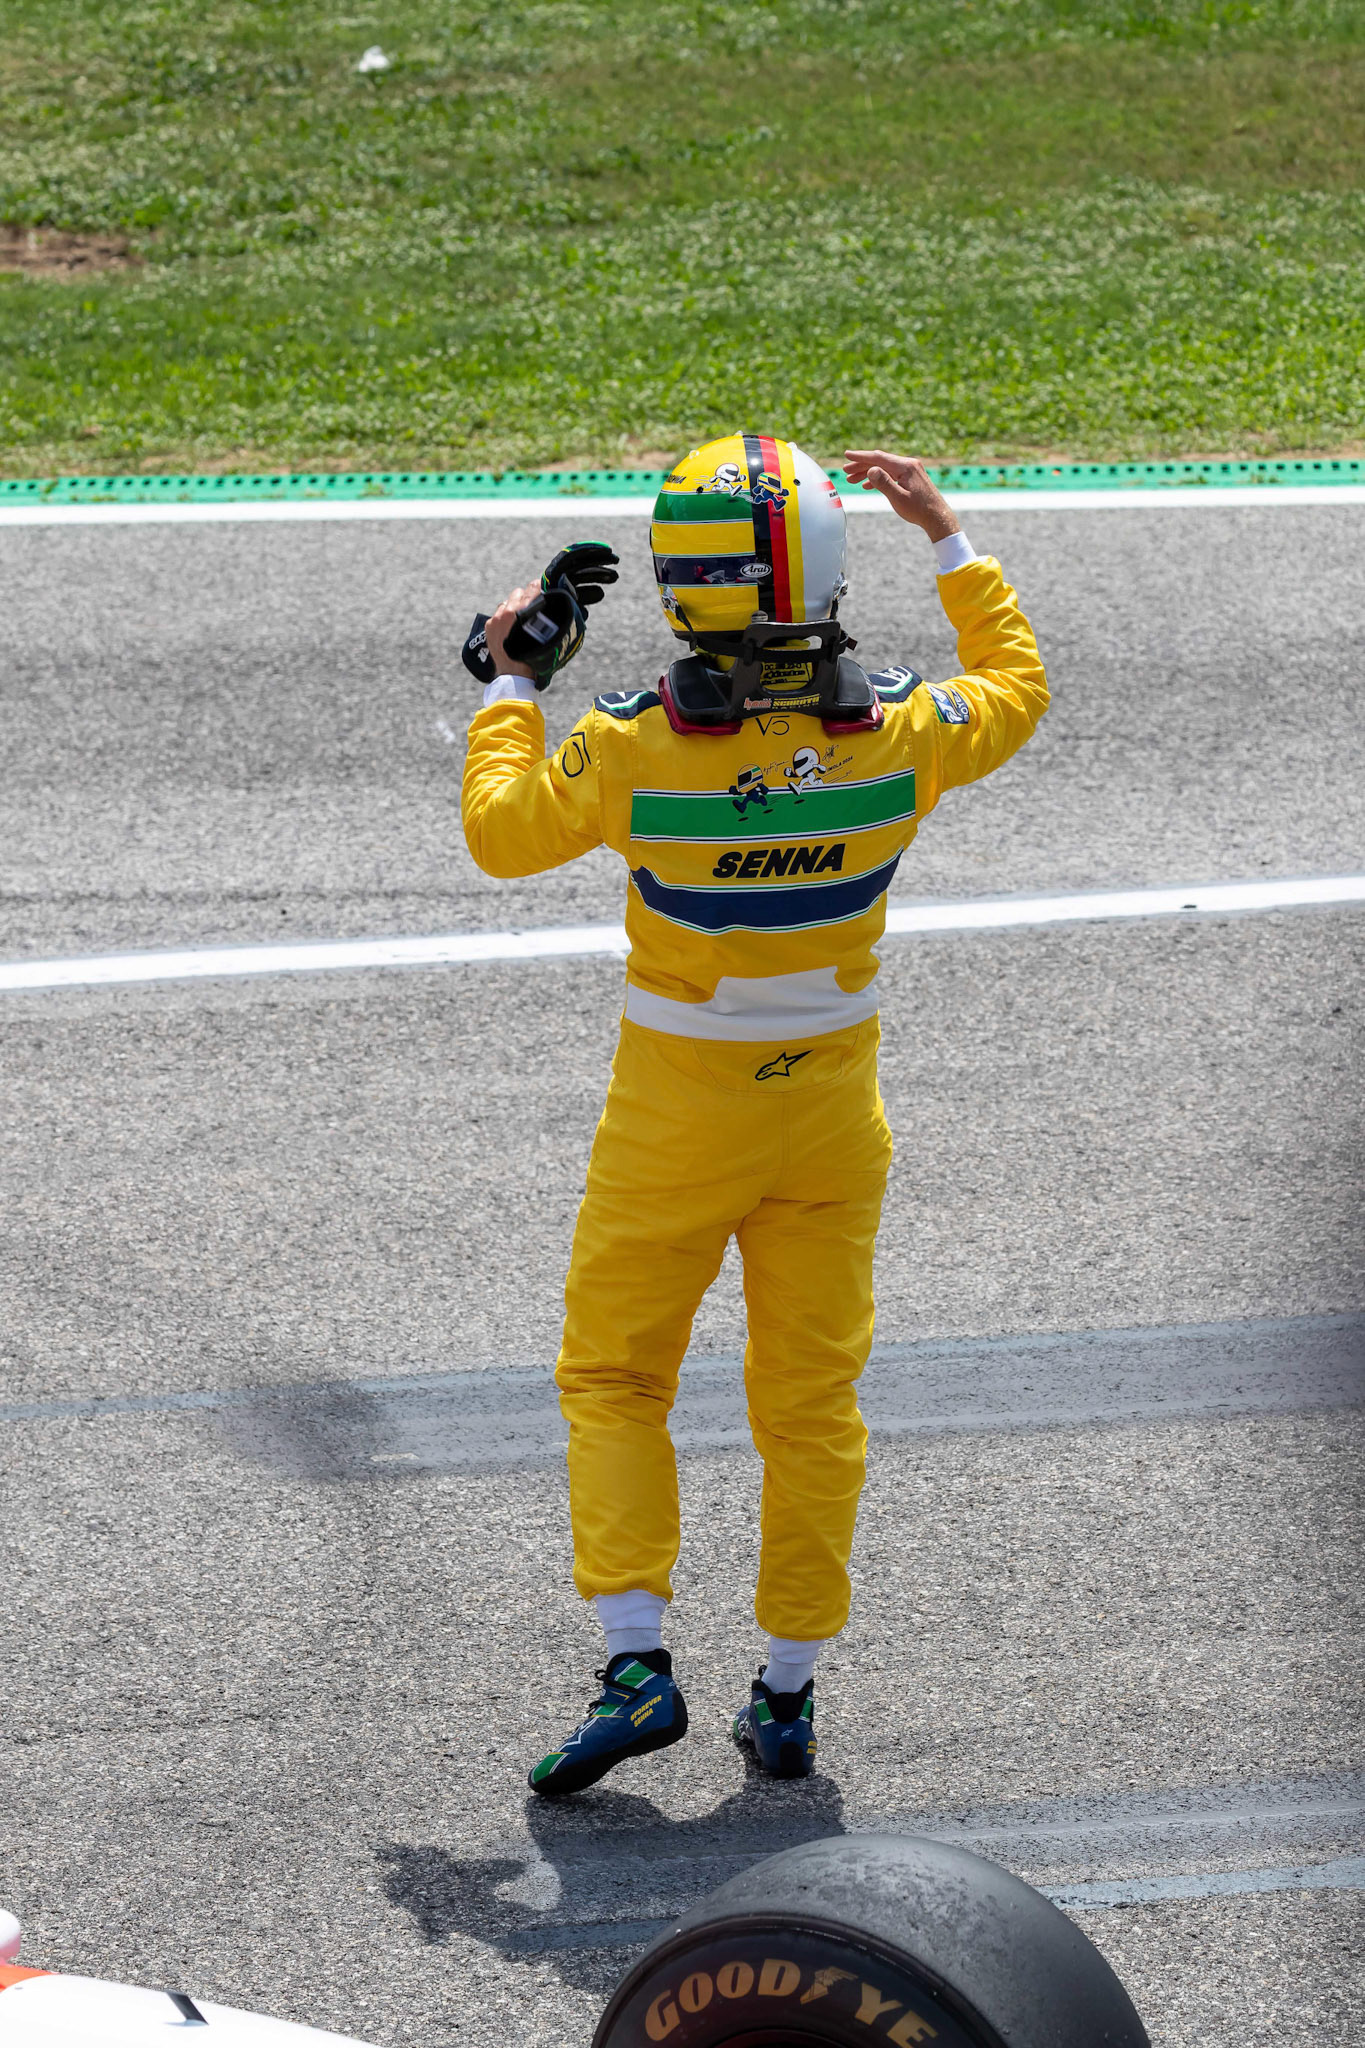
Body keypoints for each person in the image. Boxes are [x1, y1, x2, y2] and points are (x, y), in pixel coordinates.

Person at [461, 437, 1049, 1795]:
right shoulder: (908, 733)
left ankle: (634, 1666)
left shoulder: (628, 746)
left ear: (684, 587)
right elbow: (1015, 688)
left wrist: (509, 680)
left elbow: (501, 829)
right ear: (823, 566)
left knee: (614, 1381)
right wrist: (947, 536)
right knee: (811, 1409)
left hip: (675, 1119)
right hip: (834, 1117)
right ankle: (783, 1696)